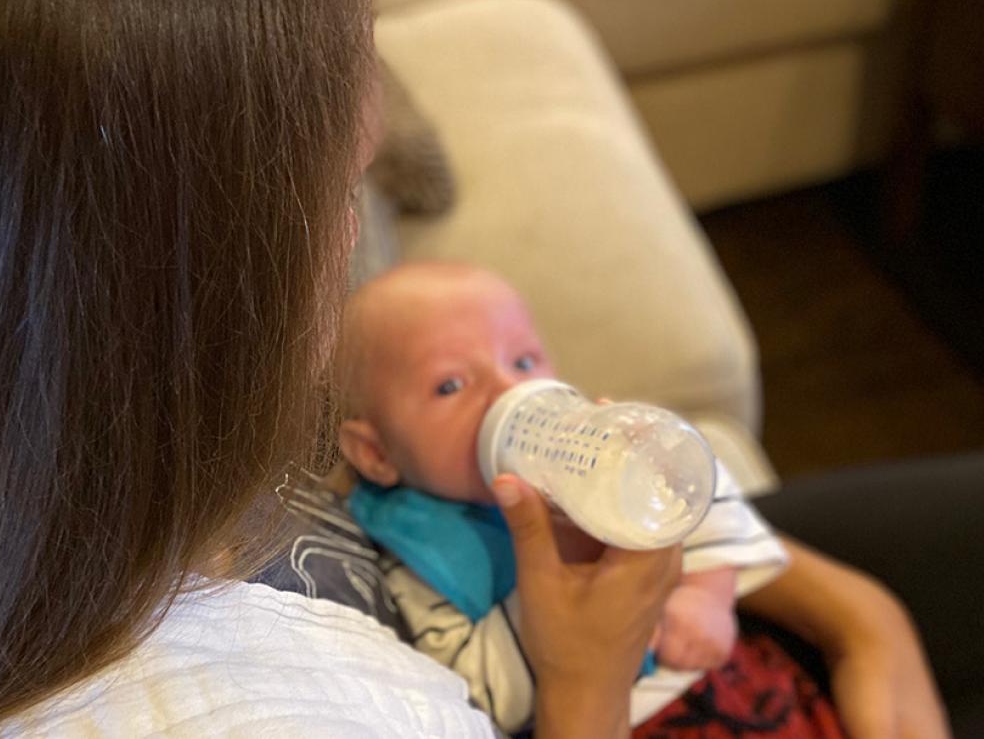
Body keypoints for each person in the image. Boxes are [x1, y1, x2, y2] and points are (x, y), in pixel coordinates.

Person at [0, 0, 679, 737]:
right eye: (340, 187)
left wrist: (831, 617)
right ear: (206, 284)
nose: (352, 235)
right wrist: (586, 685)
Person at [321, 260, 949, 737]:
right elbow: (481, 691)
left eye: (524, 359)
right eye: (450, 384)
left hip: (736, 680)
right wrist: (554, 613)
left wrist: (709, 595)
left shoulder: (586, 461)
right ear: (377, 453)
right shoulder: (416, 557)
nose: (507, 393)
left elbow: (705, 497)